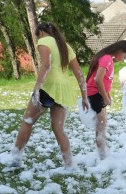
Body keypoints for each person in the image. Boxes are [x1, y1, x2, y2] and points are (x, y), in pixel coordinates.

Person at [9, 21, 88, 169]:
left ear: (41, 32)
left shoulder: (44, 41)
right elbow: (79, 73)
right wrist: (84, 97)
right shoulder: (65, 46)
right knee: (59, 129)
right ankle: (70, 165)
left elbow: (46, 65)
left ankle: (15, 159)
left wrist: (37, 88)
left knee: (27, 121)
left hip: (49, 87)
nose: (38, 40)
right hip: (64, 90)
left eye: (37, 36)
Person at [86, 40, 126, 158]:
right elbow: (98, 79)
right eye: (124, 56)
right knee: (101, 125)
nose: (123, 60)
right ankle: (103, 156)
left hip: (98, 94)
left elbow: (105, 80)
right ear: (119, 50)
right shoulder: (106, 59)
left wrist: (107, 94)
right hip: (95, 94)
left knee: (102, 124)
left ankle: (104, 152)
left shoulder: (108, 59)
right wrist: (105, 97)